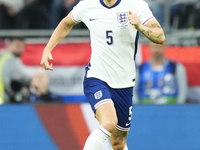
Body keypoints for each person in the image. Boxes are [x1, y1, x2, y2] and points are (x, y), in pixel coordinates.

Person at [40, 0, 165, 149]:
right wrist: (47, 49)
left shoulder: (136, 5)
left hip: (124, 83)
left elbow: (160, 37)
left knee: (118, 143)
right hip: (97, 78)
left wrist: (140, 26)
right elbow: (66, 24)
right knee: (109, 122)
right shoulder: (87, 5)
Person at [0, 38, 31, 104]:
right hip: (3, 98)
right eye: (17, 46)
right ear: (9, 46)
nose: (20, 49)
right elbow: (7, 79)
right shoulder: (10, 59)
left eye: (22, 47)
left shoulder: (4, 57)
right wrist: (11, 93)